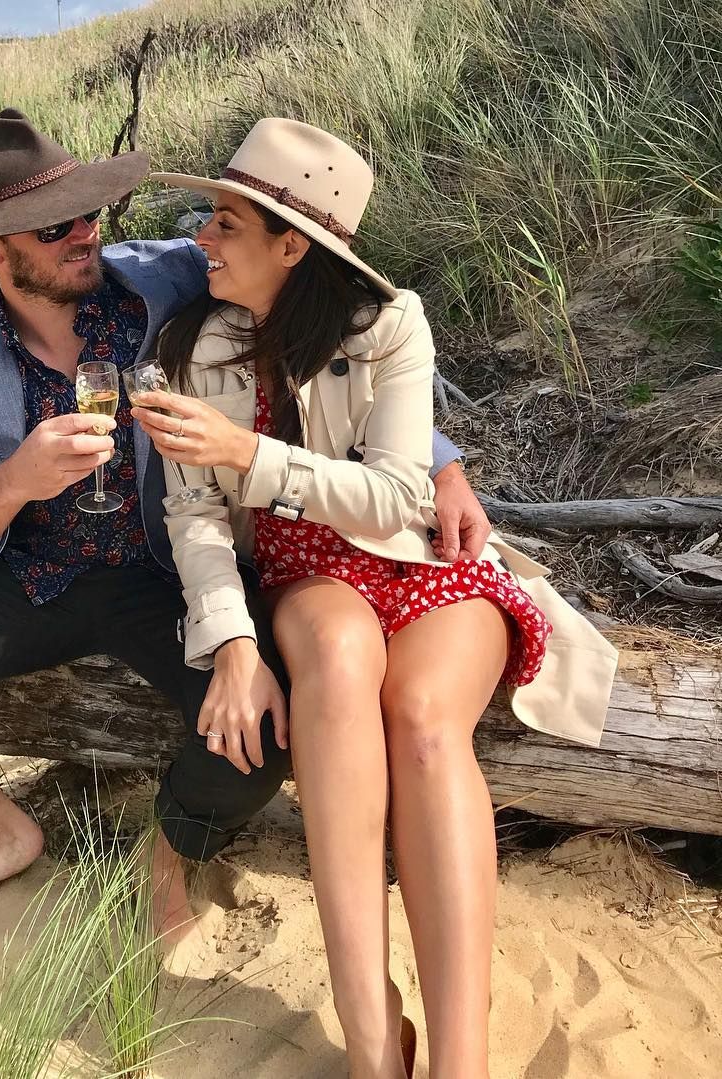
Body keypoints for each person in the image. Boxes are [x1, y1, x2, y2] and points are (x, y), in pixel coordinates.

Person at [0, 109, 488, 954]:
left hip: (166, 572)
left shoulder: (172, 278)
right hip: (30, 580)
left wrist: (441, 464)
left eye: (88, 212)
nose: (86, 233)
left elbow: (322, 319)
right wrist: (12, 484)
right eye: (55, 228)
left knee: (260, 726)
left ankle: (166, 856)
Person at [131, 119, 617, 1078]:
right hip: (307, 568)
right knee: (337, 660)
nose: (202, 238)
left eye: (225, 223)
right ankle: (369, 1040)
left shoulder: (392, 325)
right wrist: (232, 643)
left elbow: (400, 496)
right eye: (207, 217)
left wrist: (247, 454)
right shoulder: (193, 345)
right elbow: (196, 517)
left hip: (417, 556)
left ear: (292, 247)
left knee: (428, 721)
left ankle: (460, 1058)